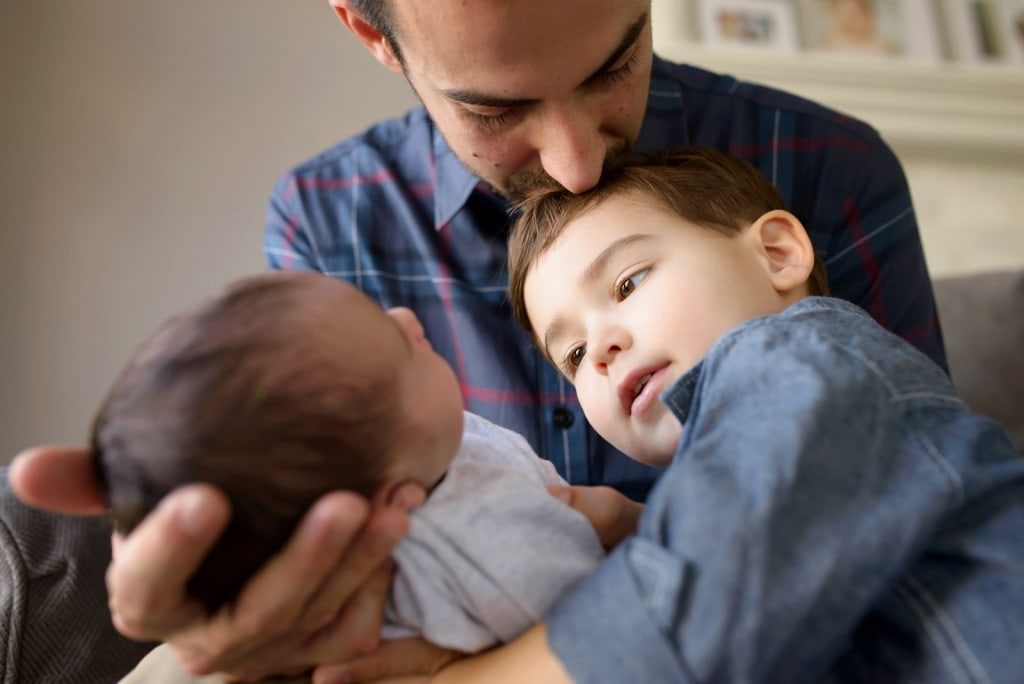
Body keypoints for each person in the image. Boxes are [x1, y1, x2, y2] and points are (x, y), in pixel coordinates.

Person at [9, 1, 949, 680]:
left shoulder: (828, 171)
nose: (576, 162)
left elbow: (894, 535)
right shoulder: (330, 222)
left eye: (612, 63)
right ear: (373, 34)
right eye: (497, 112)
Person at [399, 146, 1023, 683]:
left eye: (626, 284)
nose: (604, 351)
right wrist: (642, 526)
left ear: (776, 254)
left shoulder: (805, 355)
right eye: (575, 353)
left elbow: (692, 622)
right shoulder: (735, 468)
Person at [88, 271, 604, 682]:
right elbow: (610, 615)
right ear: (395, 503)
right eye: (398, 350)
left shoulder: (420, 447)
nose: (405, 317)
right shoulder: (489, 546)